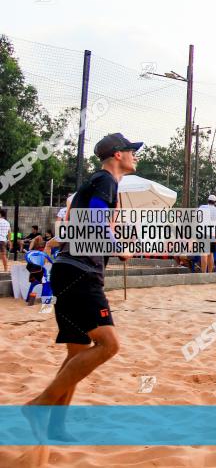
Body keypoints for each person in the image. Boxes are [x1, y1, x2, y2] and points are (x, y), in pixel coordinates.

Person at [24, 132, 141, 442]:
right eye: (132, 151)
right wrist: (120, 248)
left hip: (68, 269)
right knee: (109, 344)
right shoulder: (105, 181)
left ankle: (55, 427)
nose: (135, 155)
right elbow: (98, 224)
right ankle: (39, 405)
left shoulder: (92, 185)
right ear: (118, 155)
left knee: (76, 354)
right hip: (80, 273)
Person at [197, 194, 216, 272]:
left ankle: (203, 274)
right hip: (212, 233)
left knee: (204, 254)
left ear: (208, 200)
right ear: (215, 202)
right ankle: (210, 274)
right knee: (211, 254)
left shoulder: (203, 207)